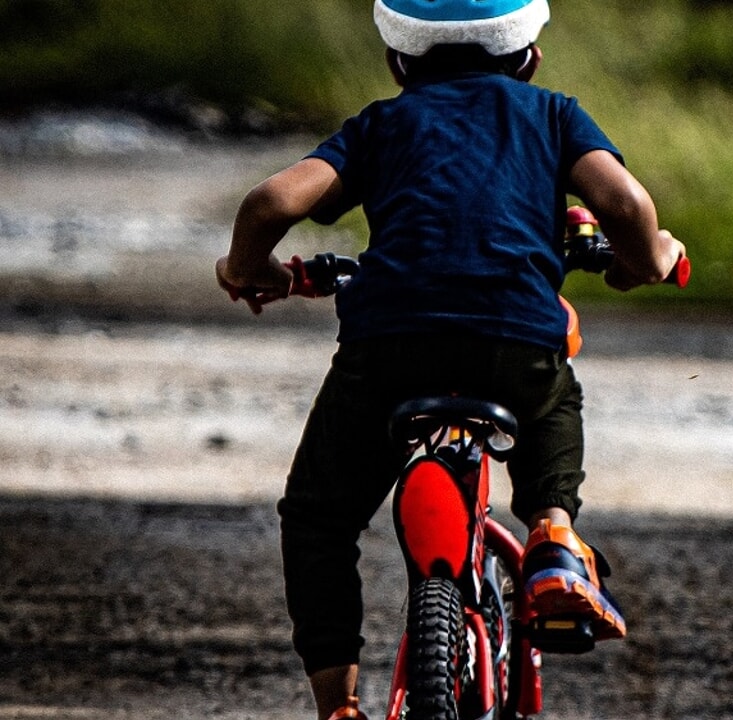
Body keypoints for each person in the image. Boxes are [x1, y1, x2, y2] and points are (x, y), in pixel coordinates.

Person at [213, 1, 686, 718]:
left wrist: (252, 269)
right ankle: (553, 535)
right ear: (529, 56)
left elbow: (271, 200)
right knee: (552, 393)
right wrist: (649, 257)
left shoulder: (381, 124)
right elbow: (621, 201)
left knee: (319, 517)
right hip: (513, 341)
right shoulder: (554, 115)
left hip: (389, 350)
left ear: (397, 62)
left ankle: (338, 708)